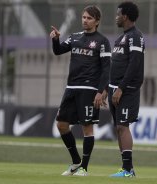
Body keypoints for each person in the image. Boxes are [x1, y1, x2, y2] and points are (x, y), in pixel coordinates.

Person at [49, 5, 111, 176]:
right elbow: (58, 51)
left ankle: (84, 167)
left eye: (89, 18)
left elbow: (107, 69)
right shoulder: (75, 37)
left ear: (97, 21)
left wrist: (101, 91)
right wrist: (55, 39)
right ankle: (76, 161)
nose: (85, 20)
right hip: (71, 88)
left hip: (89, 90)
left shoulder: (102, 41)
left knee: (87, 129)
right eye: (83, 17)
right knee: (61, 125)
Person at [108, 1, 145, 178]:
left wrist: (121, 88)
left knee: (123, 126)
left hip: (127, 89)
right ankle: (126, 168)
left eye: (118, 14)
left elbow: (135, 64)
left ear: (125, 16)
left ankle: (128, 170)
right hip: (114, 88)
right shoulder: (121, 38)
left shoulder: (135, 37)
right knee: (119, 128)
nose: (116, 17)